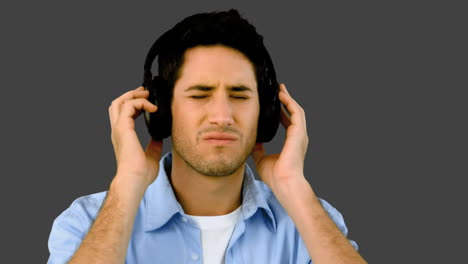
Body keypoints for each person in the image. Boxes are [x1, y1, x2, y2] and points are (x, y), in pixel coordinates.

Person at [47, 9, 367, 264]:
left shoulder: (311, 223)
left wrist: (293, 187)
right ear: (161, 109)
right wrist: (128, 183)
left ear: (267, 113)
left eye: (240, 96)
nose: (222, 117)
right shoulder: (86, 221)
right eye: (200, 94)